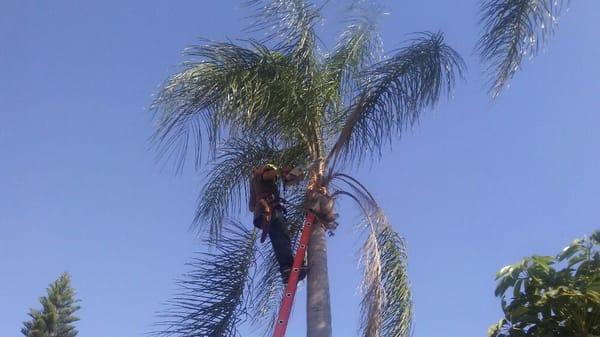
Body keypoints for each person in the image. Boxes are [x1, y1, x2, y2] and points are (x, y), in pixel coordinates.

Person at [249, 164, 306, 284]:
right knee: (282, 237)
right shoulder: (261, 175)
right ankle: (289, 266)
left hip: (262, 215)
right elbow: (270, 174)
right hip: (271, 210)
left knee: (277, 239)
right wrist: (282, 171)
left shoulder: (253, 183)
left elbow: (251, 207)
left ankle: (286, 270)